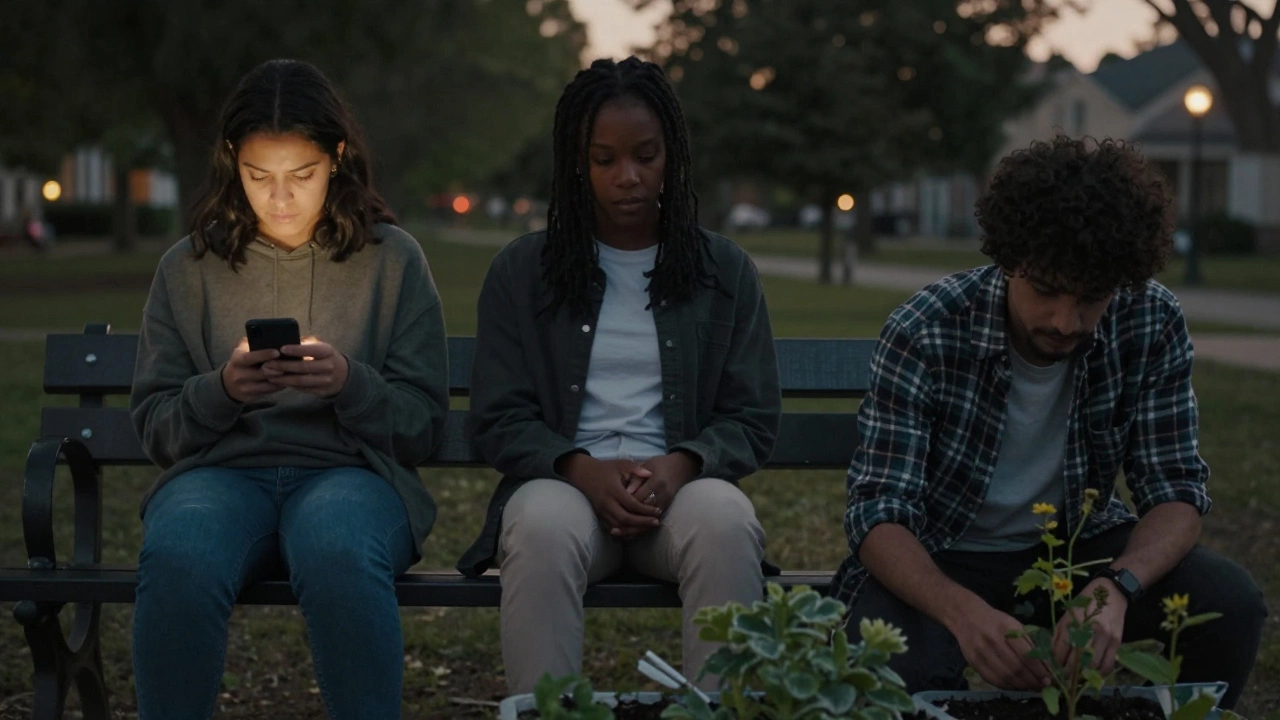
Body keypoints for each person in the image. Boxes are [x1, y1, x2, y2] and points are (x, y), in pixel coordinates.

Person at [834, 135, 1266, 709]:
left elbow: (1176, 492)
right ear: (1009, 260)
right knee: (898, 669)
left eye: (1093, 297)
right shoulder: (927, 329)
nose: (1067, 320)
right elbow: (878, 513)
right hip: (941, 553)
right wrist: (963, 613)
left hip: (1079, 553)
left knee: (1230, 604)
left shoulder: (1151, 318)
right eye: (1046, 290)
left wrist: (1117, 586)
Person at [129, 59, 448, 720]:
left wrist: (349, 383)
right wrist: (221, 390)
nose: (279, 199)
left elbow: (422, 424)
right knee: (180, 552)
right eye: (257, 177)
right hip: (218, 475)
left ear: (337, 157)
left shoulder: (391, 261)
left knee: (337, 548)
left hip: (350, 474)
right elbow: (156, 426)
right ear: (230, 161)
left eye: (301, 176)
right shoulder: (188, 269)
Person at [457, 56, 782, 694]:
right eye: (604, 159)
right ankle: (546, 711)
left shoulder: (723, 271)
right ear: (577, 162)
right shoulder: (526, 272)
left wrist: (681, 463)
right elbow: (498, 417)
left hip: (682, 492)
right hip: (566, 489)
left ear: (673, 155)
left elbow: (750, 417)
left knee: (727, 522)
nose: (627, 177)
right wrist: (581, 468)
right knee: (541, 529)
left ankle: (720, 710)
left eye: (645, 155)